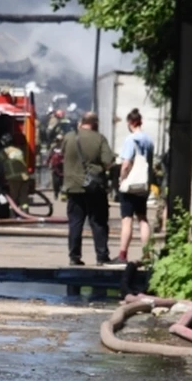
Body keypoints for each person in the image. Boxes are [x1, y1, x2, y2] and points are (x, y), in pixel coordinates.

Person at [61, 112, 114, 266]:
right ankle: (101, 256)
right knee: (98, 222)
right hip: (94, 187)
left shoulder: (69, 137)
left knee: (75, 222)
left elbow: (63, 154)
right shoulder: (99, 138)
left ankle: (74, 256)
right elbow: (108, 161)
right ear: (95, 123)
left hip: (73, 187)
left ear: (81, 122)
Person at [117, 108, 155, 263]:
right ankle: (146, 255)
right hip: (144, 184)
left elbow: (126, 164)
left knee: (127, 219)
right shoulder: (149, 140)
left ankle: (122, 255)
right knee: (142, 218)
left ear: (130, 122)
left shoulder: (131, 139)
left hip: (131, 185)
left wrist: (122, 179)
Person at [0, 132, 30, 214]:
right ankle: (25, 213)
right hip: (25, 176)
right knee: (23, 197)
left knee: (13, 197)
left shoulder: (5, 151)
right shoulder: (19, 150)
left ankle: (13, 215)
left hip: (13, 177)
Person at [47, 133, 65, 201]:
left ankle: (63, 195)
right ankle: (56, 193)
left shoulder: (65, 147)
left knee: (63, 182)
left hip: (63, 167)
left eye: (60, 140)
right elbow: (49, 155)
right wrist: (48, 162)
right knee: (56, 182)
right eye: (58, 140)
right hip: (55, 167)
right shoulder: (53, 147)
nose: (59, 141)